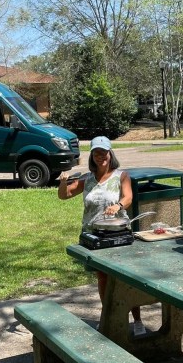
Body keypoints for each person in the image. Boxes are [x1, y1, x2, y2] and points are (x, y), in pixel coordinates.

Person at [58, 135, 145, 336]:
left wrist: (118, 206)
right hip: (94, 236)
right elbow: (64, 195)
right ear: (92, 156)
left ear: (110, 153)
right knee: (103, 278)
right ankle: (108, 318)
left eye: (103, 152)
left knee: (126, 278)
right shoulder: (86, 179)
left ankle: (138, 320)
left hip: (117, 234)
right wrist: (63, 182)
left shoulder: (121, 176)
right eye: (96, 153)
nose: (100, 156)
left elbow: (128, 197)